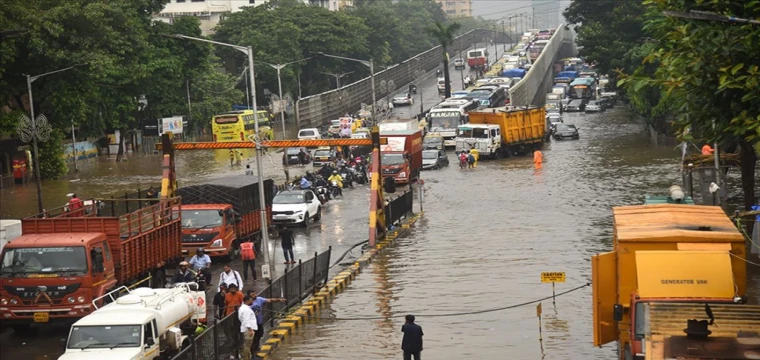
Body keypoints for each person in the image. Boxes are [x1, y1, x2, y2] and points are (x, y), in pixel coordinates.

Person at [247, 290, 287, 356]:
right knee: (254, 336)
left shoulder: (259, 299)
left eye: (255, 294)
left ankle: (255, 348)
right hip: (252, 323)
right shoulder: (247, 303)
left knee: (260, 334)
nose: (254, 295)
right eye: (252, 294)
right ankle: (253, 350)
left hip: (259, 322)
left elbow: (270, 300)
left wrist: (279, 300)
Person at [238, 295, 258, 360]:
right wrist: (250, 330)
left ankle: (248, 357)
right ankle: (246, 358)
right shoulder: (246, 310)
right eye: (251, 300)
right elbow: (246, 320)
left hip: (247, 329)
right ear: (247, 301)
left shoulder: (244, 308)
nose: (252, 301)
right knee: (247, 345)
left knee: (247, 345)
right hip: (248, 330)